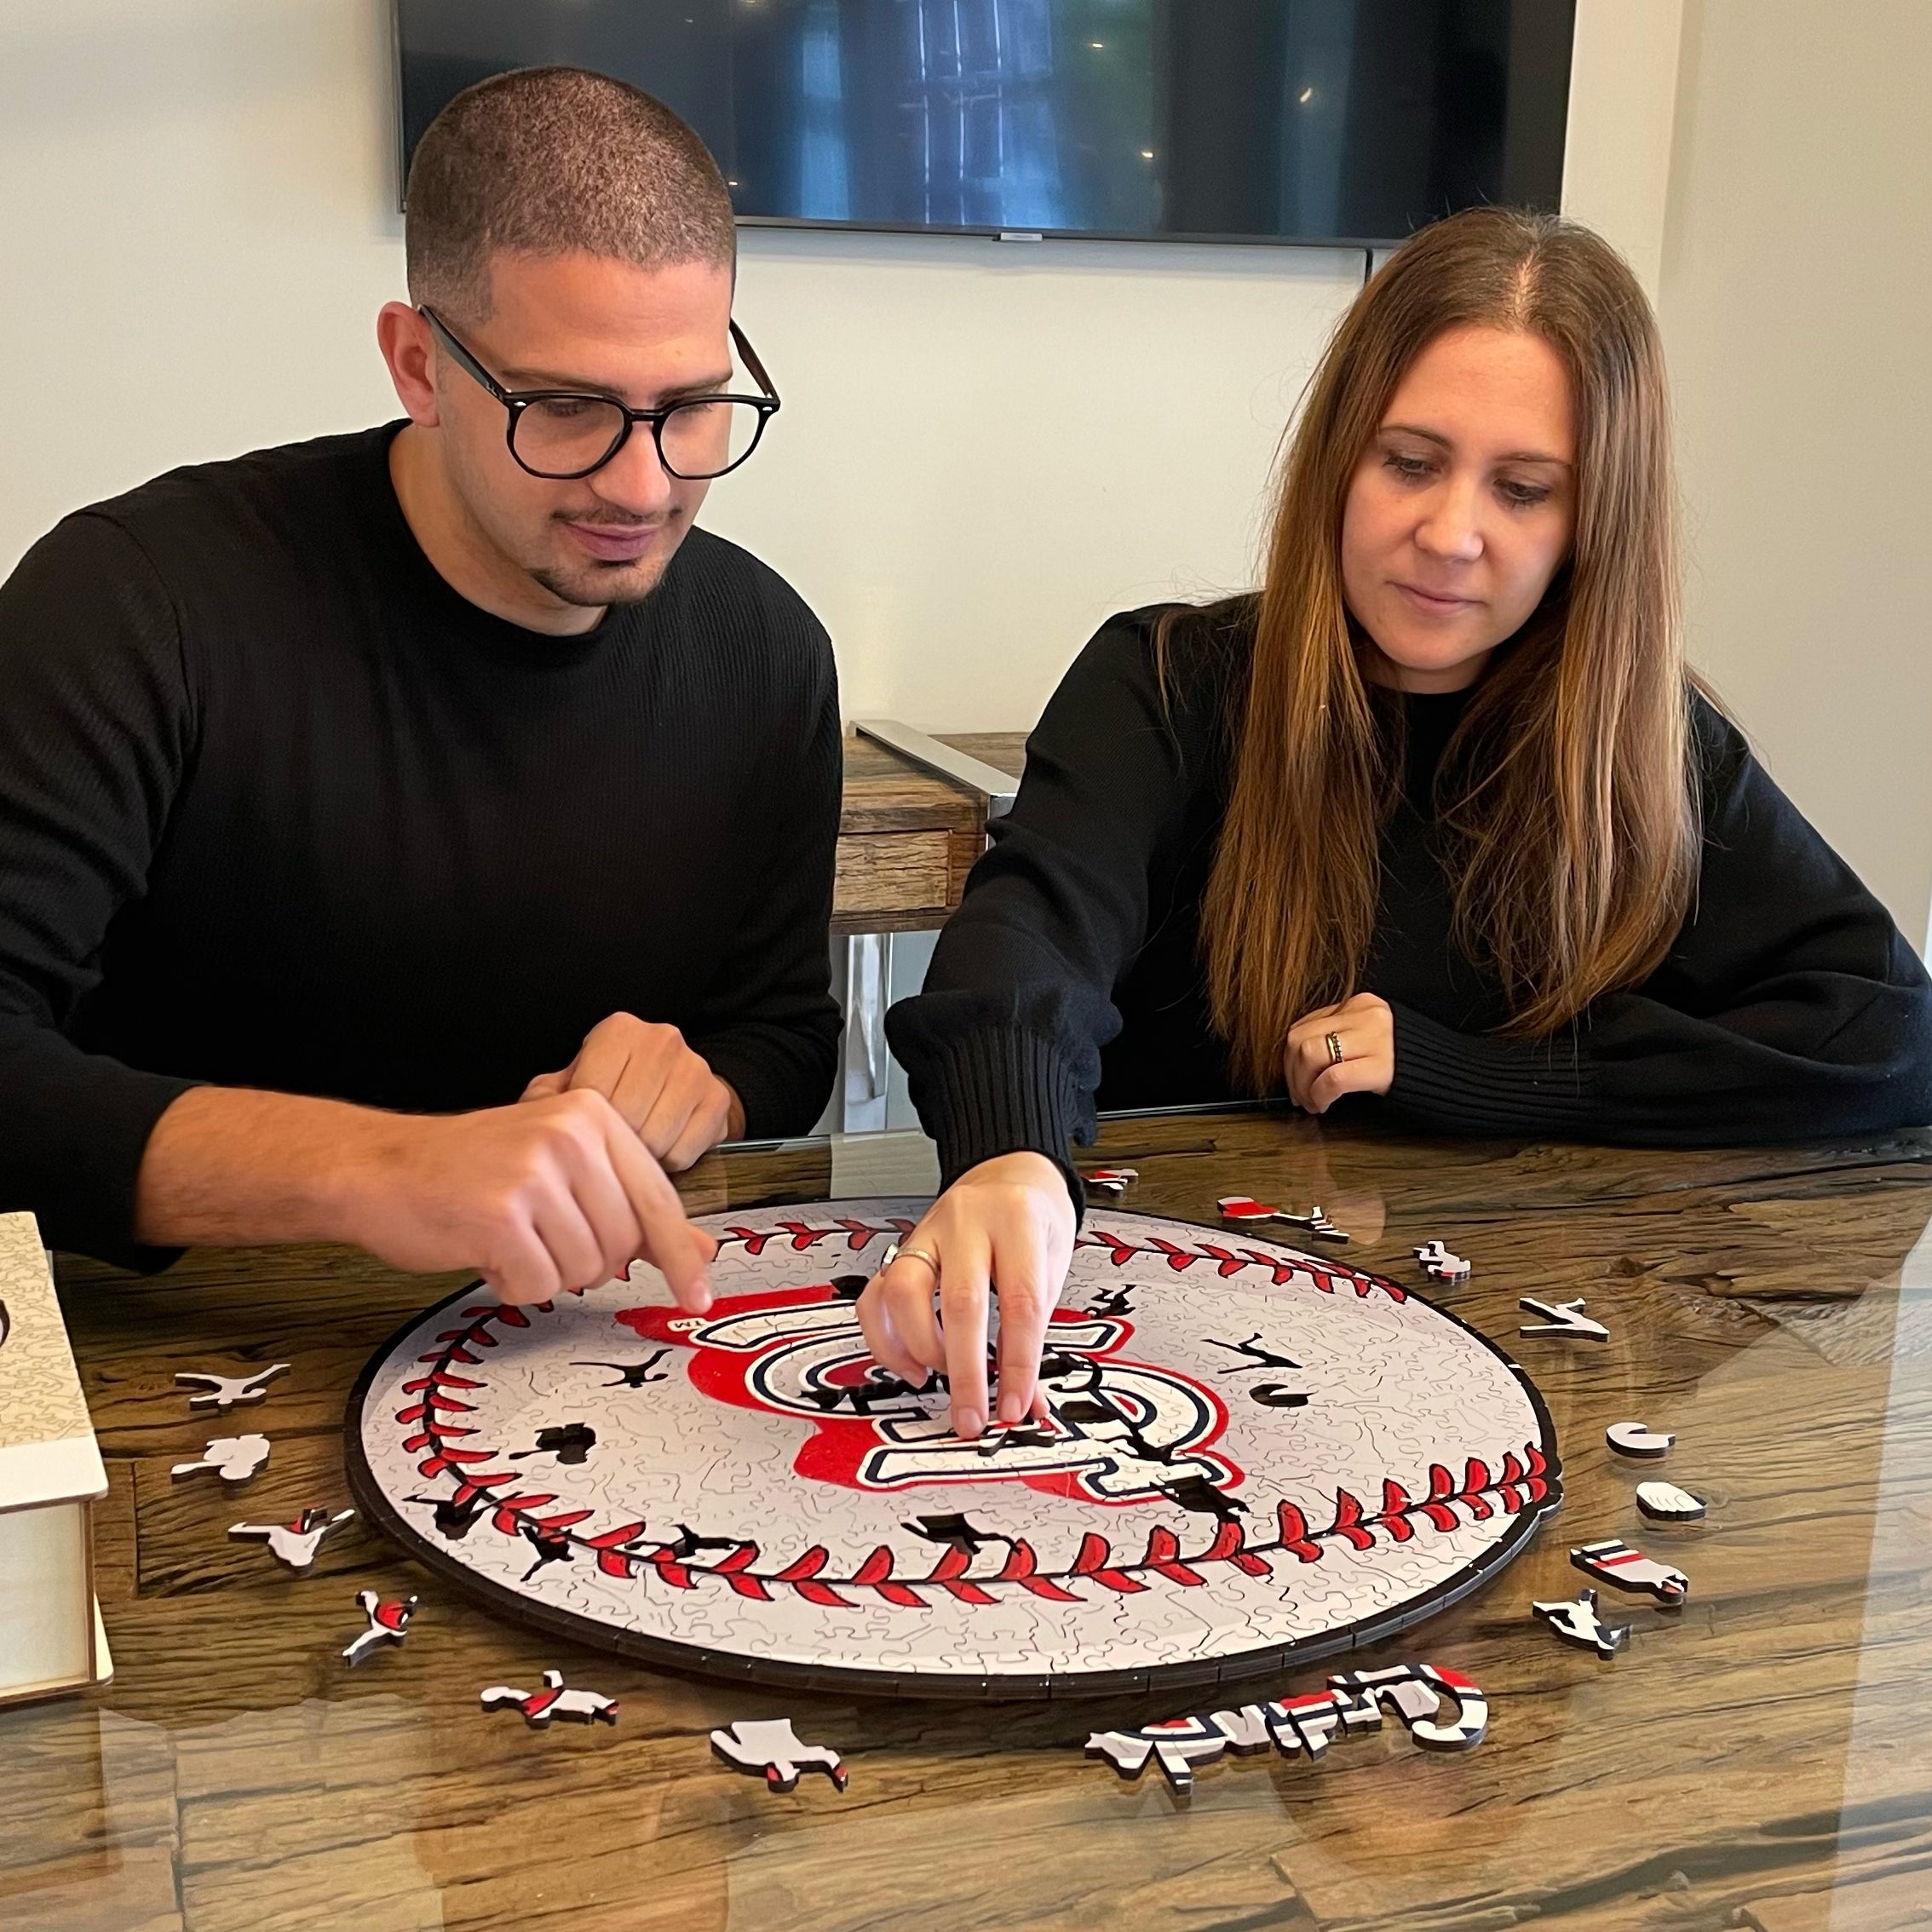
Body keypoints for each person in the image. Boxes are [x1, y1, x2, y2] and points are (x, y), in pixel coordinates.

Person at [863, 206, 1932, 1440]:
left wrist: (1476, 1076)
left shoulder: (1648, 746)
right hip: (1165, 1356)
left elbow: (1887, 1032)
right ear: (1338, 459)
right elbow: (1031, 930)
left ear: (1595, 524)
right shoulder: (1163, 679)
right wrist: (1013, 1156)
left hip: (1496, 1376)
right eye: (1410, 462)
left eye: (1524, 489)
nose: (1450, 534)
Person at [0, 67, 843, 1310]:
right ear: (418, 363)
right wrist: (383, 1169)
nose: (644, 485)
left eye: (693, 406)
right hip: (170, 1349)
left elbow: (782, 1033)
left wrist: (701, 1084)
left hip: (569, 1354)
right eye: (565, 408)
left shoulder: (764, 652)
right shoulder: (138, 604)